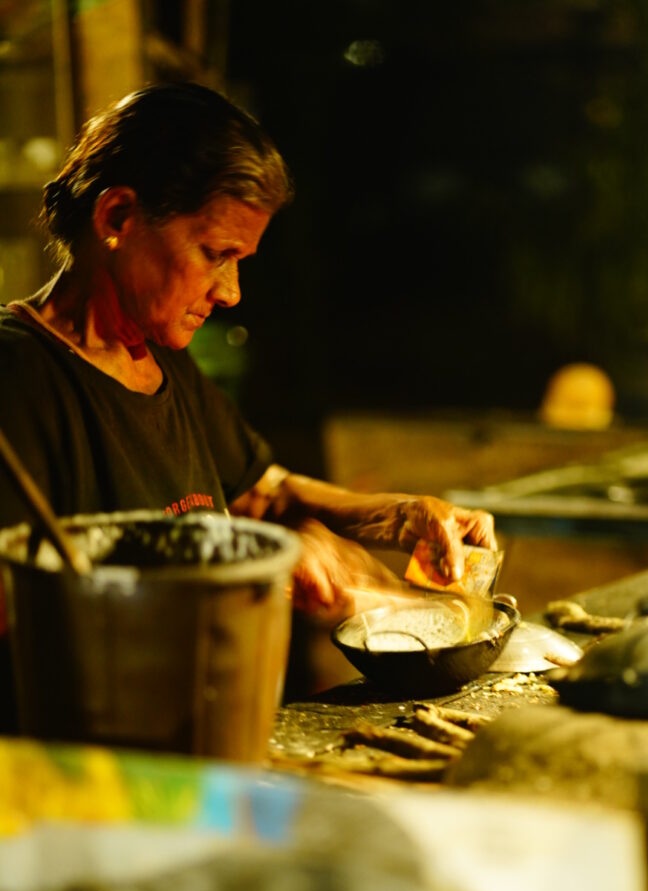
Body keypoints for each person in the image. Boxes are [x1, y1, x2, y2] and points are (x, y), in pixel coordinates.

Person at [0, 81, 495, 622]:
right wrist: (256, 566)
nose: (231, 291)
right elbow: (18, 605)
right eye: (215, 253)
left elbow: (265, 493)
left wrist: (398, 518)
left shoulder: (160, 357)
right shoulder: (19, 375)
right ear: (117, 217)